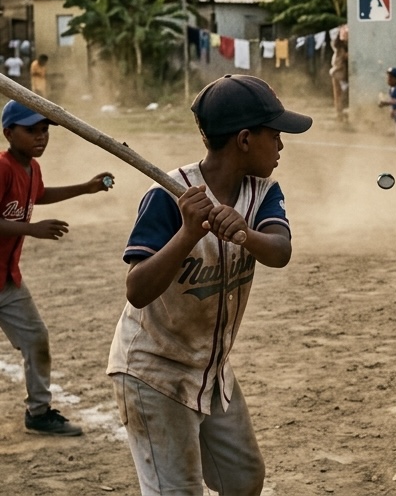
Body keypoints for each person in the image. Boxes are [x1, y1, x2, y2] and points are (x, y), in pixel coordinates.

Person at [106, 74, 312, 495]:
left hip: (211, 368)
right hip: (153, 370)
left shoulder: (262, 193)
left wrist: (243, 233)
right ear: (243, 140)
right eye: (274, 135)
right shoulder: (167, 196)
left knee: (243, 478)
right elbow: (137, 290)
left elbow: (279, 251)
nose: (281, 146)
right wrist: (187, 233)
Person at [0, 100, 114, 436]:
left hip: (8, 281)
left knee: (36, 338)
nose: (41, 137)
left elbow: (39, 195)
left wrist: (85, 188)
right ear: (8, 132)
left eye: (44, 130)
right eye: (31, 130)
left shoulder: (30, 169)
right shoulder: (3, 167)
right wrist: (30, 229)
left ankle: (39, 412)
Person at [329, 35, 349, 120]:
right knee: (340, 95)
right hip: (339, 74)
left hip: (337, 74)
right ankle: (340, 113)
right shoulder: (340, 50)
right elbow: (345, 57)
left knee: (338, 95)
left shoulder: (338, 49)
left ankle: (339, 113)